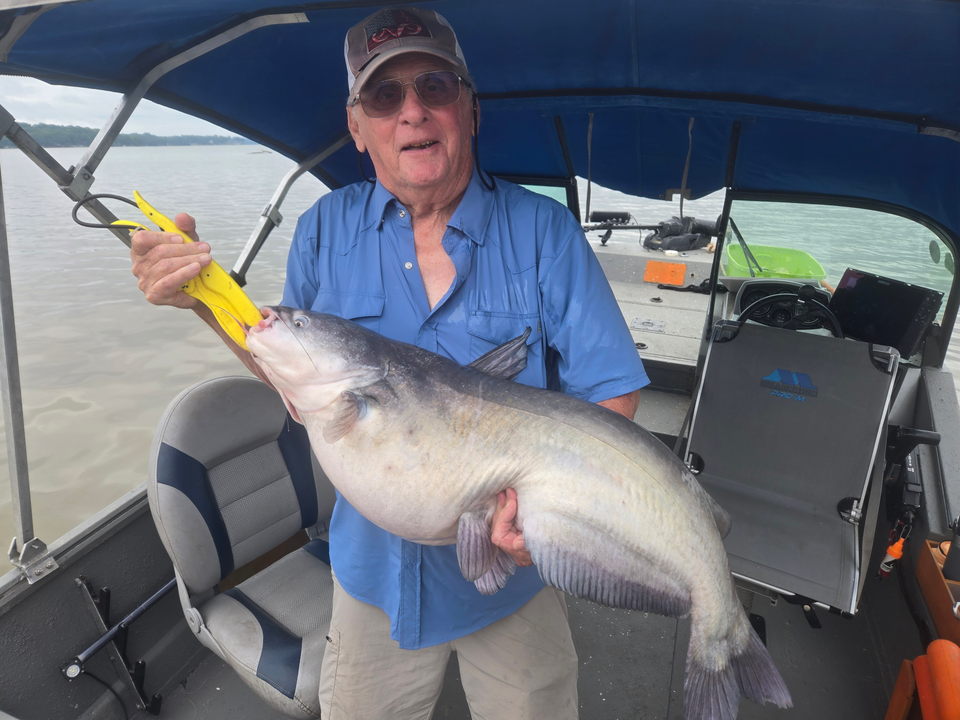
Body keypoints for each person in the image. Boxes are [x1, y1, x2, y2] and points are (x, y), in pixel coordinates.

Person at [130, 6, 649, 718]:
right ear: (357, 127)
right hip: (369, 575)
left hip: (511, 580)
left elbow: (611, 396)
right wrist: (203, 300)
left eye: (435, 86)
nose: (412, 112)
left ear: (468, 108)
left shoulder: (544, 233)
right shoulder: (323, 230)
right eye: (384, 96)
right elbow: (294, 370)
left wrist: (541, 515)